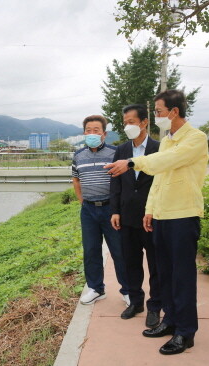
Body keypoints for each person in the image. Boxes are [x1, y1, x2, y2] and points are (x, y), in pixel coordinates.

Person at [105, 90, 208, 356]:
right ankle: (171, 321)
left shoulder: (195, 139)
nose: (157, 116)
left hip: (183, 216)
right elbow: (161, 179)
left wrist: (131, 162)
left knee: (182, 277)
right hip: (162, 216)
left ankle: (186, 332)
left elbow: (167, 161)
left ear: (174, 112)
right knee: (165, 275)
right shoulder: (168, 140)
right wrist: (150, 209)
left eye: (159, 111)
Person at [110, 104, 162, 328]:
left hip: (151, 218)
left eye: (131, 121)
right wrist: (115, 210)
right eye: (125, 123)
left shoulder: (159, 149)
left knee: (155, 264)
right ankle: (135, 301)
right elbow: (115, 182)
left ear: (144, 122)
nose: (127, 126)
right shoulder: (121, 150)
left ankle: (155, 306)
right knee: (130, 261)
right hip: (127, 216)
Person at [72, 115, 130, 305]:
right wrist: (83, 202)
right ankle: (96, 288)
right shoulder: (78, 155)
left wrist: (118, 208)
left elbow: (122, 180)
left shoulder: (115, 152)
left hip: (110, 209)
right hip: (88, 210)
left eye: (96, 130)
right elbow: (76, 180)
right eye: (88, 130)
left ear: (104, 134)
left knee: (119, 250)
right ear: (84, 133)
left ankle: (128, 290)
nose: (92, 133)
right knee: (91, 250)